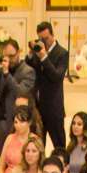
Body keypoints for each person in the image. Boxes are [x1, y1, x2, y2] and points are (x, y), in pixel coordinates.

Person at [27, 19, 69, 157]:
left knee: (59, 145)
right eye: (41, 39)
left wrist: (44, 57)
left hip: (53, 108)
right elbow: (29, 67)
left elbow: (56, 77)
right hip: (38, 108)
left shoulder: (62, 53)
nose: (44, 41)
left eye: (46, 38)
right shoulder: (38, 52)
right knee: (38, 147)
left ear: (52, 35)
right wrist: (30, 53)